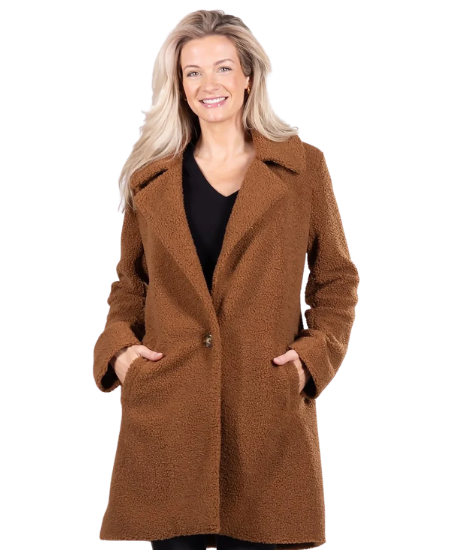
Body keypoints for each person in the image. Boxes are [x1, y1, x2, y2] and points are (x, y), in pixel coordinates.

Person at [93, 9, 359, 550]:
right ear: (178, 84)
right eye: (192, 72)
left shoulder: (302, 168)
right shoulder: (151, 176)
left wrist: (312, 358)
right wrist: (119, 352)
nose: (208, 84)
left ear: (249, 77)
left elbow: (336, 279)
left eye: (222, 68)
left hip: (264, 412)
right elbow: (131, 285)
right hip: (169, 415)